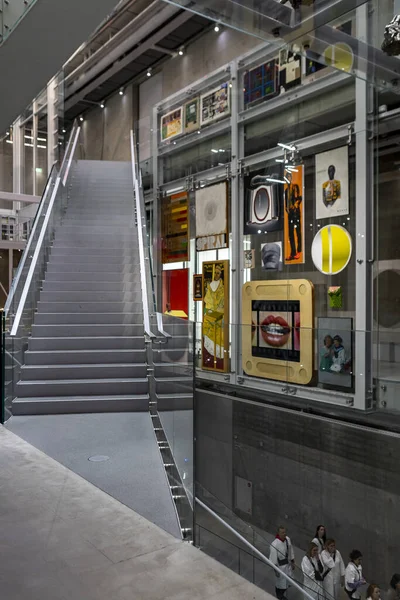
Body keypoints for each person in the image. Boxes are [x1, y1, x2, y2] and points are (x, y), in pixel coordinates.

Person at [203, 264, 225, 368]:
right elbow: (207, 301)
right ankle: (210, 358)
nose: (216, 274)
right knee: (209, 339)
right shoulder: (210, 285)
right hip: (210, 316)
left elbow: (222, 303)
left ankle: (218, 360)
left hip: (219, 317)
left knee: (219, 339)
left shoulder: (222, 287)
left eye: (218, 273)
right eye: (215, 272)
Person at [269, 526, 295, 600]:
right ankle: (279, 596)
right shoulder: (274, 544)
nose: (284, 534)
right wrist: (276, 570)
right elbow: (273, 559)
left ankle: (281, 595)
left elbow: (291, 550)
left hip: (288, 565)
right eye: (282, 532)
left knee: (288, 582)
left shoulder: (288, 539)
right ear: (278, 533)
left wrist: (293, 561)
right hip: (281, 567)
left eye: (285, 532)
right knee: (280, 584)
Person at [285, 179, 302, 261]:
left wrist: (295, 205)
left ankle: (299, 251)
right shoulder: (286, 191)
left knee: (298, 232)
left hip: (296, 212)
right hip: (290, 213)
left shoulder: (295, 187)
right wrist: (287, 209)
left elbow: (299, 198)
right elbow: (286, 202)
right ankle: (293, 252)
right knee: (290, 234)